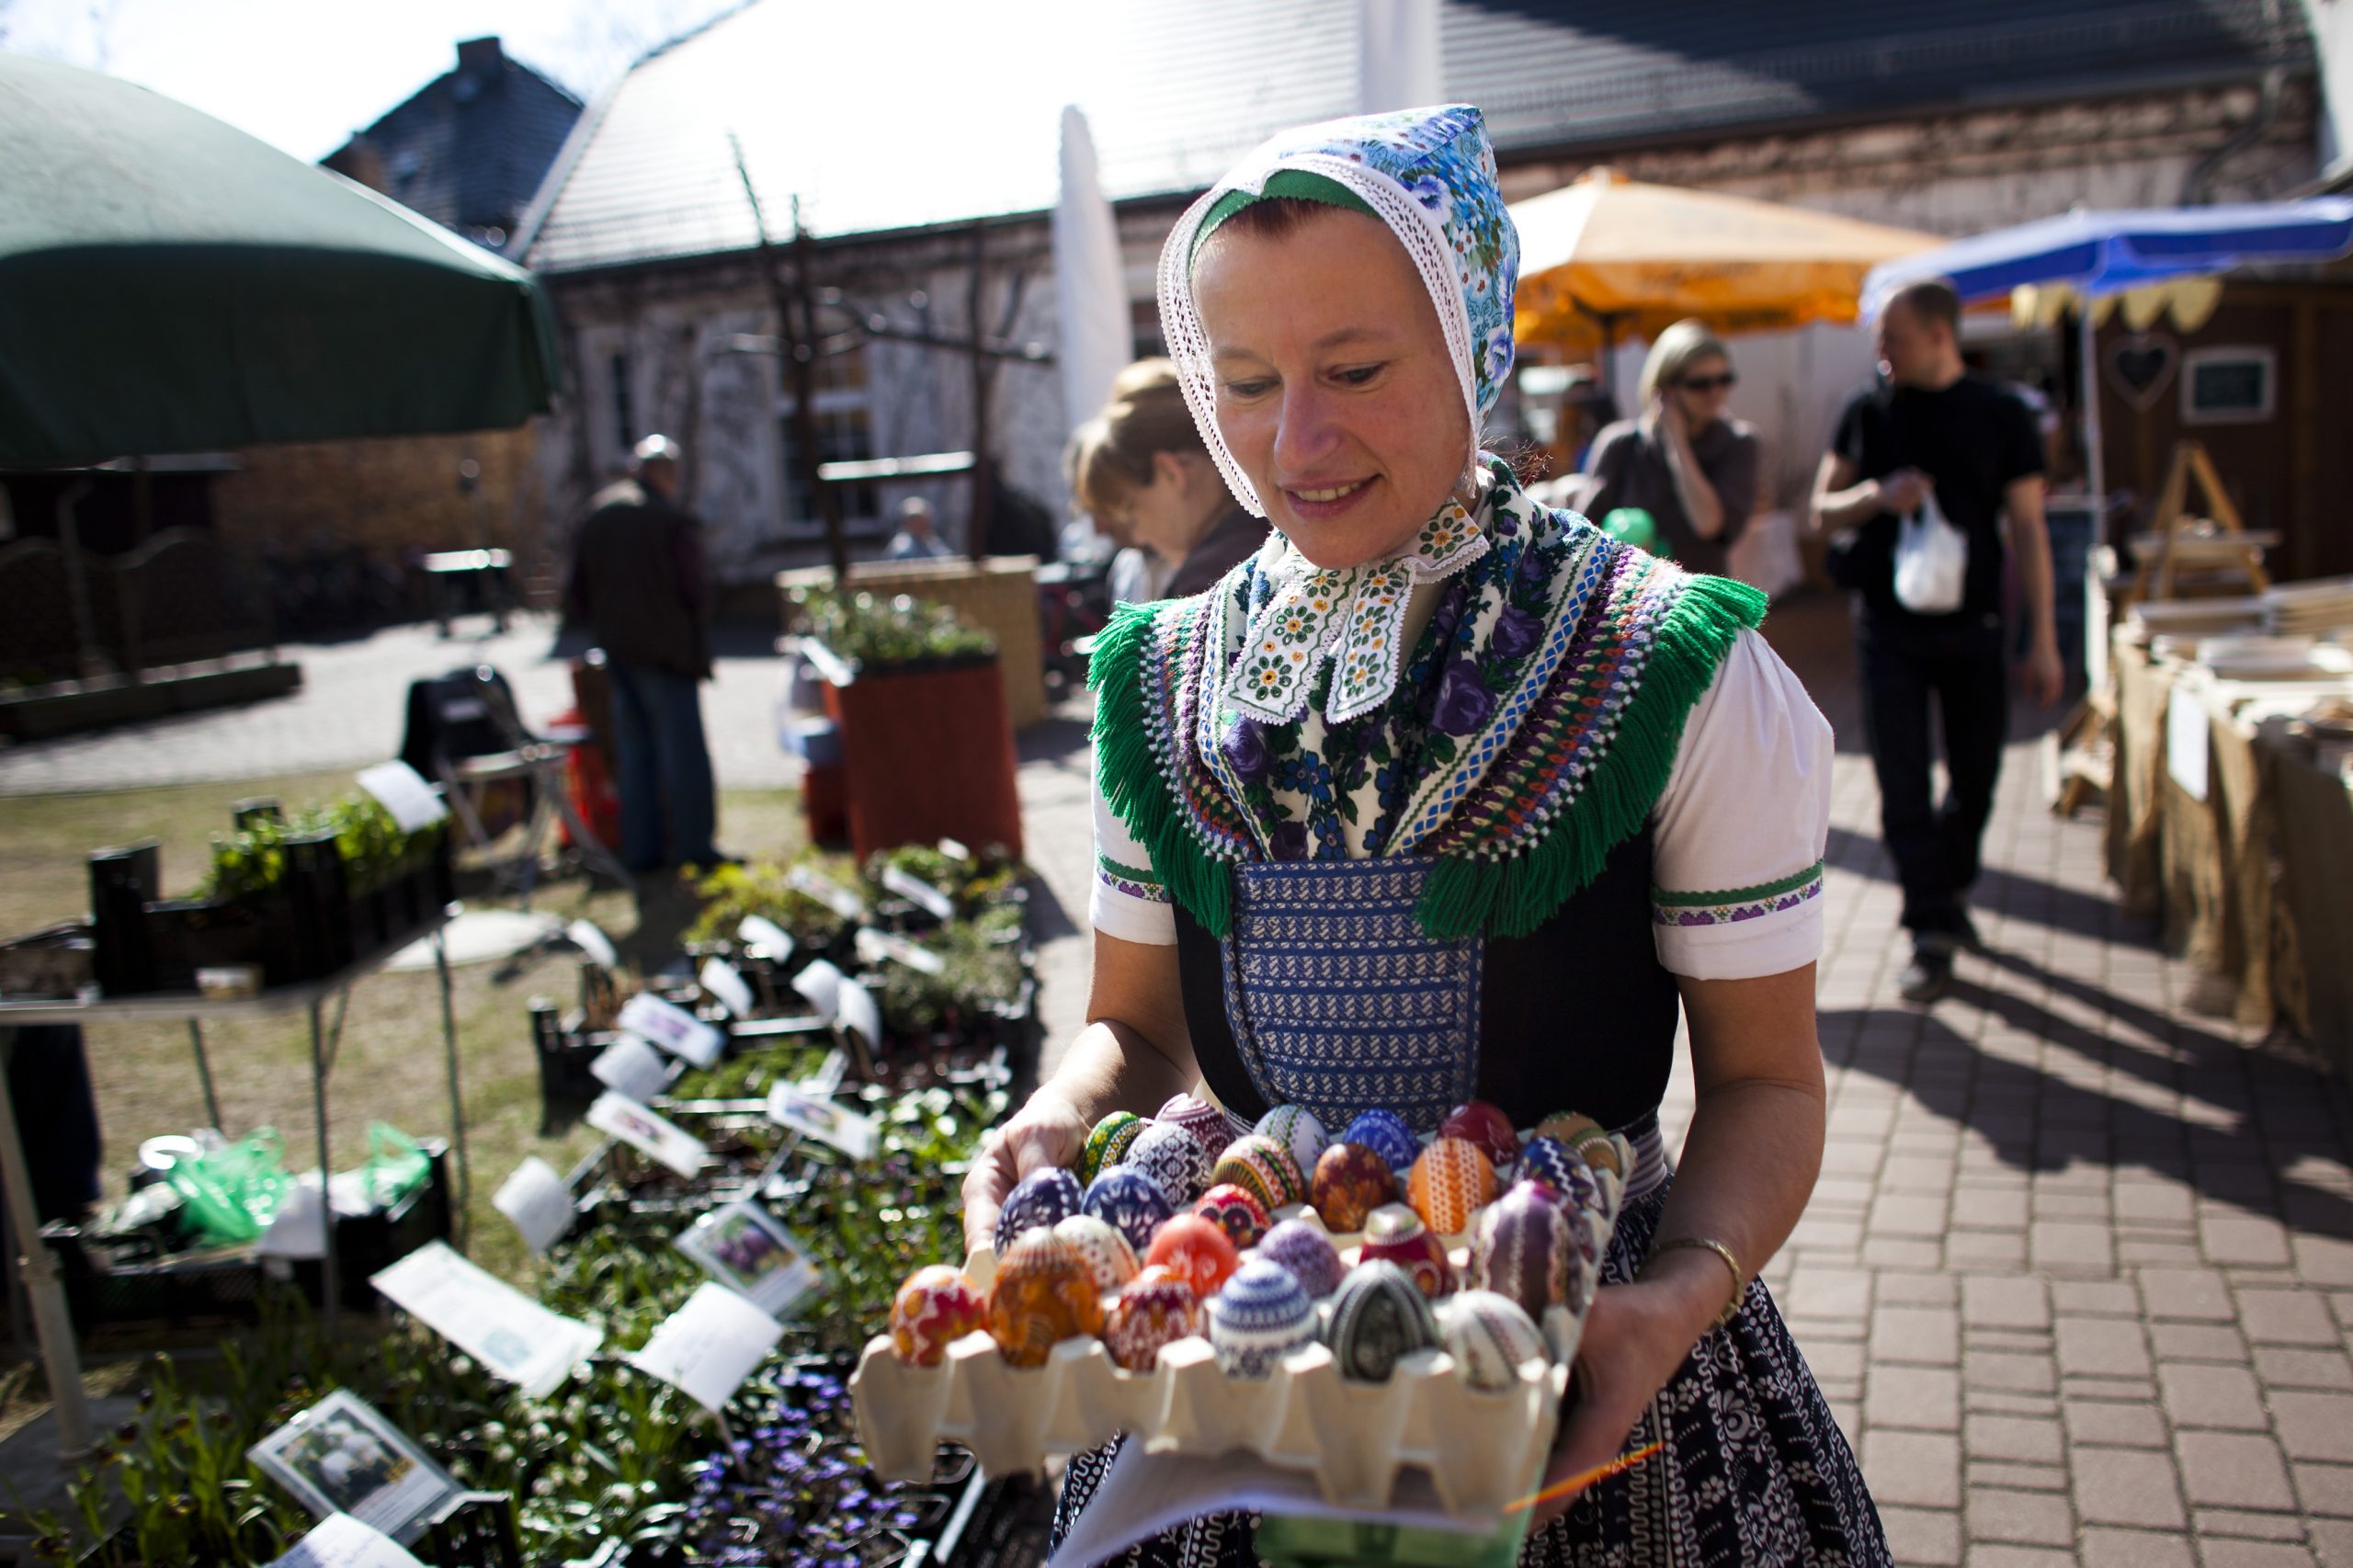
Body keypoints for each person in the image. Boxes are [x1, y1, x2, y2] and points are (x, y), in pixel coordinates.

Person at [965, 105, 1883, 1565]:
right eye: (1246, 383)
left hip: (1585, 1367)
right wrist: (1058, 1117)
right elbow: (1132, 1032)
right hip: (1250, 1356)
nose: (1296, 440)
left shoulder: (1667, 664)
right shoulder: (1162, 679)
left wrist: (1677, 1297)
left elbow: (1768, 1079)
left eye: (1356, 370)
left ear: (1472, 343)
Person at [1811, 278, 2061, 1004]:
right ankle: (1929, 926)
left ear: (1940, 336)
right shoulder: (1868, 410)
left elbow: (2029, 530)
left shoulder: (2002, 413)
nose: (1882, 353)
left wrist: (2043, 638)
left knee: (1978, 778)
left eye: (1893, 338)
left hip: (1975, 628)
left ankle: (1947, 894)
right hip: (1888, 630)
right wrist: (1877, 496)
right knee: (1903, 782)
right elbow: (1820, 511)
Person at [564, 434, 722, 872]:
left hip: (620, 650)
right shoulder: (665, 518)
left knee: (635, 752)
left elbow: (576, 594)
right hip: (667, 652)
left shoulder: (599, 513)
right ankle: (693, 846)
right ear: (667, 474)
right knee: (682, 750)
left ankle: (641, 849)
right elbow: (696, 590)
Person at [1066, 358, 1268, 600]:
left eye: (1131, 514)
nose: (1139, 537)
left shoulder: (1207, 582)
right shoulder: (1270, 536)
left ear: (1171, 472)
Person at [1575, 321, 1759, 578]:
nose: (1715, 392)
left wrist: (1677, 443)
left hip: (1698, 597)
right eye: (1700, 383)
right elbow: (1581, 537)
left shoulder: (1738, 443)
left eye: (1724, 379)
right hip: (1628, 596)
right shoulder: (1620, 444)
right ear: (1665, 390)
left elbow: (1708, 524)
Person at [883, 495, 954, 561]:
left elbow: (946, 557)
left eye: (925, 520)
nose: (922, 524)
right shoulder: (902, 545)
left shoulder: (931, 540)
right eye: (916, 520)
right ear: (907, 522)